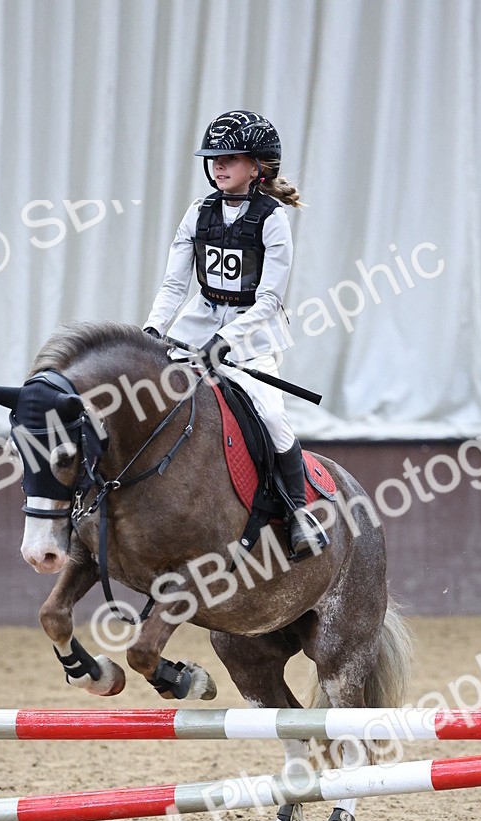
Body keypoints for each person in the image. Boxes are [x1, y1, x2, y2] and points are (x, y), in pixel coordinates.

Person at [143, 109, 327, 558]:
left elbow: (268, 301)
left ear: (257, 166)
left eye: (230, 157)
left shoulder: (273, 220)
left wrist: (224, 344)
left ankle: (298, 512)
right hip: (198, 322)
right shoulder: (198, 212)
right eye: (214, 158)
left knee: (270, 416)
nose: (218, 165)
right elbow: (174, 284)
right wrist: (152, 328)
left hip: (251, 336)